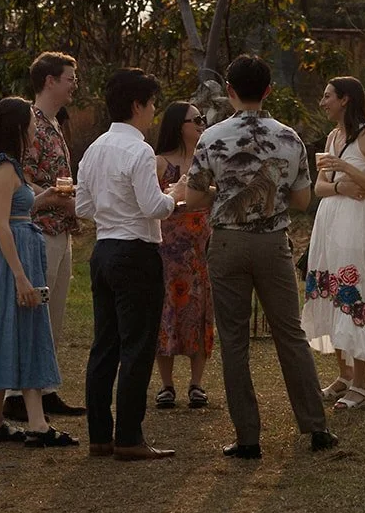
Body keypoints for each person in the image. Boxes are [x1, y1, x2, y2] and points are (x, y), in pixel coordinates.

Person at [187, 56, 338, 459]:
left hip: (228, 244)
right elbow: (304, 199)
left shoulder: (211, 136)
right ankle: (316, 427)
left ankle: (248, 436)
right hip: (273, 244)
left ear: (230, 91)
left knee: (234, 341)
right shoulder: (289, 137)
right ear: (269, 90)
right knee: (290, 334)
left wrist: (225, 194)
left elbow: (194, 197)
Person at [75, 68, 179, 461]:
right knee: (137, 345)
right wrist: (176, 198)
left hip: (103, 250)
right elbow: (154, 206)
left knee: (105, 344)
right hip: (136, 250)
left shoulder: (95, 149)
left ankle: (100, 434)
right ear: (138, 105)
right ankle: (129, 436)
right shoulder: (138, 152)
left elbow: (83, 206)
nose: (154, 111)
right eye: (152, 104)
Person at [0, 97, 77, 448]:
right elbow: (0, 225)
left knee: (21, 329)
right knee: (16, 328)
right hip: (10, 260)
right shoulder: (4, 168)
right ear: (18, 126)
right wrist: (20, 276)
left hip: (23, 252)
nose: (36, 127)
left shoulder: (15, 167)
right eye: (31, 121)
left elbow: (20, 207)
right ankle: (37, 424)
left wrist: (45, 196)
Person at [2, 51, 84, 421]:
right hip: (39, 230)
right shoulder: (31, 124)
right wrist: (55, 195)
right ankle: (19, 396)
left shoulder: (54, 123)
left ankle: (46, 388)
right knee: (36, 313)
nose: (75, 85)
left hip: (60, 229)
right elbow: (20, 179)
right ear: (49, 80)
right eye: (70, 78)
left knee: (55, 315)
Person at [303, 76, 365, 410]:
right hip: (328, 219)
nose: (323, 102)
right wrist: (339, 184)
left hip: (355, 221)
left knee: (350, 292)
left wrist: (345, 170)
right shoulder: (332, 136)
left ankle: (362, 384)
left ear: (345, 99)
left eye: (327, 96)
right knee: (328, 292)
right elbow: (319, 188)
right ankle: (343, 375)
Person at [152, 101, 214, 410]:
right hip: (167, 252)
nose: (202, 124)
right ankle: (166, 385)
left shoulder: (207, 161)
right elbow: (152, 203)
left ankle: (196, 384)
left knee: (198, 312)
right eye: (196, 120)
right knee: (167, 312)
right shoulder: (160, 162)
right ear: (180, 125)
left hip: (199, 253)